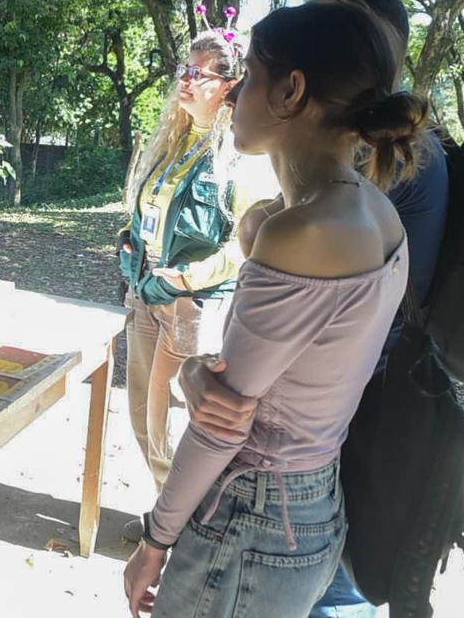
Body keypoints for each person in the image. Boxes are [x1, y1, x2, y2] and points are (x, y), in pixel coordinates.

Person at [124, 0, 424, 617]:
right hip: (312, 505)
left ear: (291, 92)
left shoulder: (303, 232)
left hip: (250, 515)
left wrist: (155, 540)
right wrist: (195, 369)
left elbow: (223, 423)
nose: (234, 95)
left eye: (252, 75)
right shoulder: (374, 211)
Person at [117, 27, 276, 542]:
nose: (185, 81)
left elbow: (248, 244)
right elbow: (149, 212)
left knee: (171, 420)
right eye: (183, 70)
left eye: (198, 74)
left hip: (192, 304)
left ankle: (181, 533)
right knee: (141, 413)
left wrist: (188, 277)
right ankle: (165, 519)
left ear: (228, 86)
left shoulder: (244, 155)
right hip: (148, 294)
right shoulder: (173, 139)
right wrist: (129, 243)